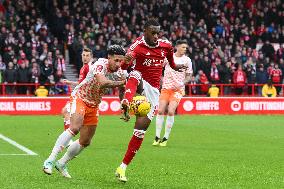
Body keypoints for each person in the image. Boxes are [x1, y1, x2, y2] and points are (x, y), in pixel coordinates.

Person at [116, 18, 186, 182]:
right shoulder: (136, 46)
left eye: (157, 33)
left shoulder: (166, 46)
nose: (156, 36)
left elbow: (171, 62)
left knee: (139, 132)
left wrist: (177, 68)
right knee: (135, 73)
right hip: (139, 83)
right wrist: (125, 63)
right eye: (153, 32)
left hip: (154, 93)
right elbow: (124, 68)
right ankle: (126, 102)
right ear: (145, 31)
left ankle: (122, 168)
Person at [42, 45, 126, 178]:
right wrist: (122, 82)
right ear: (108, 57)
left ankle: (62, 163)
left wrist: (123, 105)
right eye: (116, 60)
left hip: (94, 104)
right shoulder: (100, 65)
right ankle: (50, 160)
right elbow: (103, 82)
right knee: (75, 127)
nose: (119, 64)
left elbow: (122, 89)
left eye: (121, 61)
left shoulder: (120, 72)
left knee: (85, 141)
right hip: (80, 97)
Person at [153, 39, 192, 147]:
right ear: (177, 47)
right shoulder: (168, 57)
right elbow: (158, 68)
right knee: (160, 110)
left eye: (186, 48)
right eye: (183, 47)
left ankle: (165, 138)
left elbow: (189, 76)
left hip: (178, 90)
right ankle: (157, 137)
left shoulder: (187, 60)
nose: (185, 49)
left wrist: (182, 82)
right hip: (166, 88)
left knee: (170, 111)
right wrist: (160, 79)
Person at [61, 47, 93, 132]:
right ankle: (68, 138)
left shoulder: (88, 68)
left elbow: (90, 82)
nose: (85, 57)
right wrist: (70, 82)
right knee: (66, 112)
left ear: (91, 57)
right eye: (83, 55)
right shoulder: (83, 68)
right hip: (80, 96)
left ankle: (67, 139)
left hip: (83, 97)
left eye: (87, 55)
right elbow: (82, 82)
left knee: (66, 112)